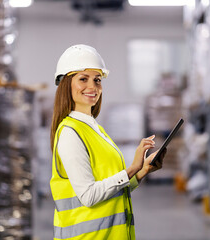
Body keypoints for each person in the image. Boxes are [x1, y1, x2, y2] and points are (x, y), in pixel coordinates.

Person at [50, 44, 166, 240]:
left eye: (97, 80)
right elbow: (89, 196)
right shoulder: (71, 133)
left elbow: (110, 189)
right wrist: (131, 169)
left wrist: (142, 170)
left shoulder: (94, 129)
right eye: (83, 79)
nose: (92, 87)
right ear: (66, 83)